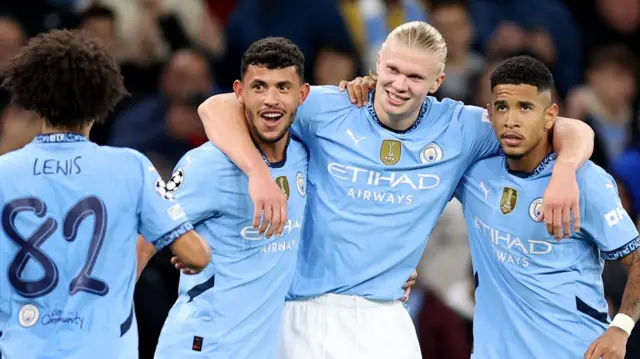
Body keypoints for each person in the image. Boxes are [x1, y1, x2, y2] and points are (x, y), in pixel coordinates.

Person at [197, 22, 594, 358]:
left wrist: (564, 171)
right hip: (303, 311)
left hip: (387, 317)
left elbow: (573, 129)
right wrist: (258, 174)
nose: (399, 85)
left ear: (437, 81)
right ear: (377, 64)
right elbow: (215, 108)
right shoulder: (330, 107)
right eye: (392, 70)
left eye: (415, 77)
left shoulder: (462, 128)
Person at [0, 29, 211, 359]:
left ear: (34, 101)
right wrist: (138, 256)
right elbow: (196, 255)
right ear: (100, 105)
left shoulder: (4, 172)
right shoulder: (131, 167)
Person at [454, 56, 639, 359]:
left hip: (573, 350)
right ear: (490, 112)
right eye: (502, 107)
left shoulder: (585, 182)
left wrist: (620, 328)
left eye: (525, 108)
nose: (511, 120)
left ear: (551, 115)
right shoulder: (473, 172)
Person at [153, 37, 309, 359]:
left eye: (283, 87)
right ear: (239, 92)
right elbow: (144, 235)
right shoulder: (209, 164)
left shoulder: (305, 157)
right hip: (200, 347)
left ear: (302, 94)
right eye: (259, 87)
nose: (270, 100)